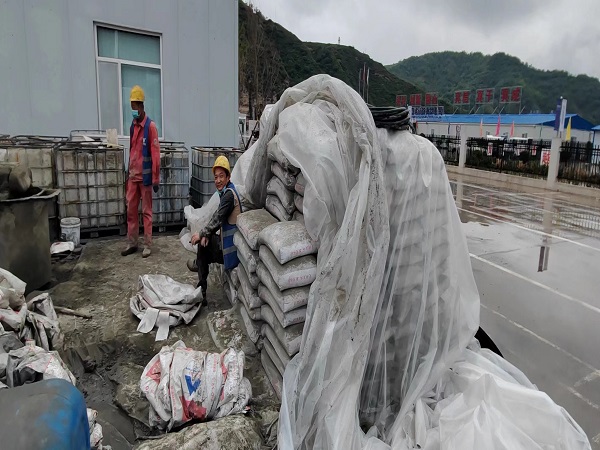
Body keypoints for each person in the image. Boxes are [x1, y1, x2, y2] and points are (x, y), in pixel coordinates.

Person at [189, 156, 242, 303]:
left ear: (228, 177)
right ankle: (200, 266)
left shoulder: (229, 196)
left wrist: (202, 233)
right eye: (216, 177)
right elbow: (217, 217)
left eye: (221, 177)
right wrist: (208, 233)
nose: (218, 180)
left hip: (230, 251)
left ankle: (201, 287)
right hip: (229, 246)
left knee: (202, 245)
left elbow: (218, 217)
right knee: (205, 242)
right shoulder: (227, 192)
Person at [122, 85, 160, 258]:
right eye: (131, 107)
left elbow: (155, 154)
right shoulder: (133, 126)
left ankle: (147, 244)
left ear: (141, 105)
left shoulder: (150, 127)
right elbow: (132, 150)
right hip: (132, 177)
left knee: (146, 211)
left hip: (145, 179)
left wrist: (156, 178)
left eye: (135, 107)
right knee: (131, 210)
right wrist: (128, 172)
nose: (133, 110)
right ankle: (132, 243)